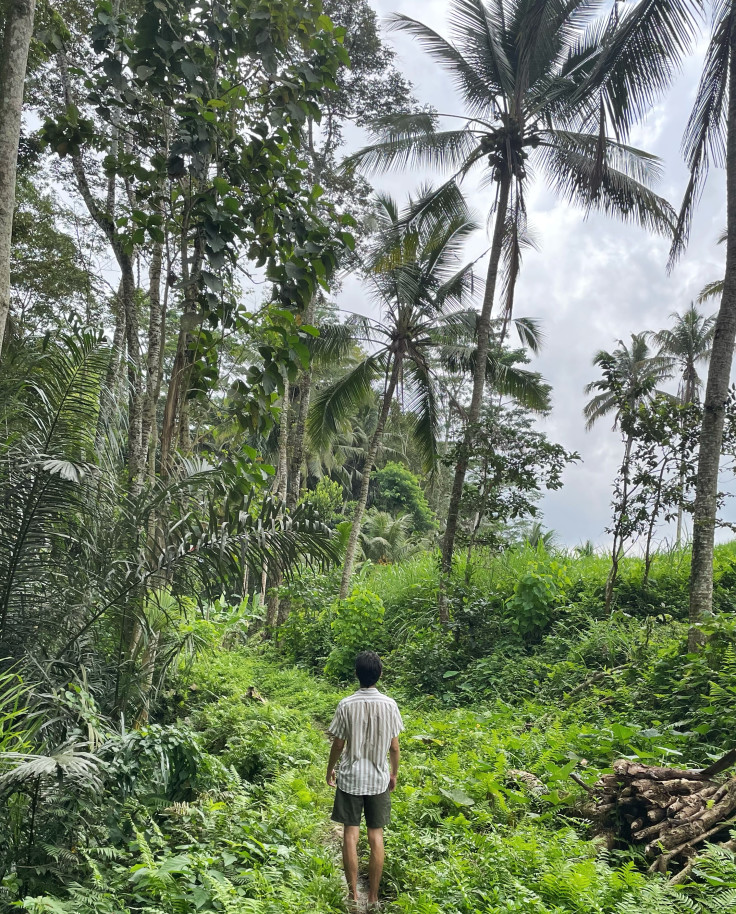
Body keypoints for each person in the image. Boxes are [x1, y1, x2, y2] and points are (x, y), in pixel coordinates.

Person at [326, 650, 403, 912]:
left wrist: (330, 770)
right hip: (378, 778)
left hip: (350, 778)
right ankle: (373, 897)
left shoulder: (346, 704)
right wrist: (393, 774)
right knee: (376, 835)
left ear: (356, 674)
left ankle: (352, 896)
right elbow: (394, 747)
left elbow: (338, 744)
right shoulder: (390, 705)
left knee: (350, 833)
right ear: (379, 674)